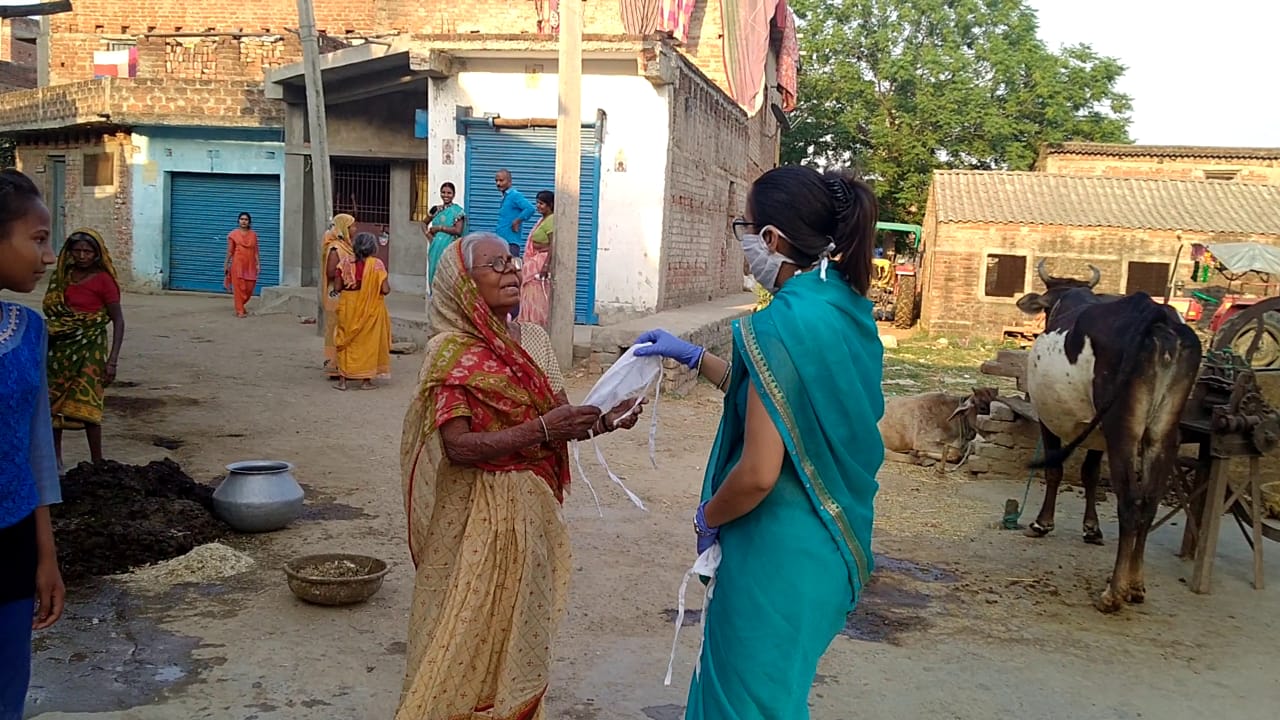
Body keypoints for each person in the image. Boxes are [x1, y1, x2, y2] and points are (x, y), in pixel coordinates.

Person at [633, 165, 884, 719]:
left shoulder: (782, 325)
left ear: (771, 239)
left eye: (745, 230)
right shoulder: (845, 308)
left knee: (741, 707)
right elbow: (776, 400)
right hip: (826, 550)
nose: (745, 244)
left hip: (775, 553)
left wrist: (708, 515)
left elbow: (759, 472)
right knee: (774, 700)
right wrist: (696, 358)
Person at [397, 232, 643, 720]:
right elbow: (457, 446)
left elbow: (559, 418)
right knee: (465, 625)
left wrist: (607, 418)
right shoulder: (450, 352)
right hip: (474, 516)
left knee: (517, 625)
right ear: (465, 284)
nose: (511, 271)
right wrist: (543, 429)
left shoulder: (531, 340)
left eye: (512, 261)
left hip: (530, 514)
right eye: (495, 265)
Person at [0, 168, 66, 717]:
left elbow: (36, 450)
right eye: (38, 239)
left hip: (13, 541)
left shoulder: (27, 330)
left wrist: (46, 556)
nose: (48, 258)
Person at [43, 227, 125, 470]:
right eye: (77, 250)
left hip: (91, 348)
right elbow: (54, 310)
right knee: (54, 404)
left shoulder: (104, 281)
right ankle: (55, 461)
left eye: (87, 251)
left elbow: (118, 321)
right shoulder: (62, 277)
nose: (81, 256)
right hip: (60, 347)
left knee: (89, 404)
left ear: (96, 254)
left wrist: (112, 361)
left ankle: (97, 462)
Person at [333, 232, 392, 391]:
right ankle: (366, 381)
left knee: (345, 339)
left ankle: (342, 381)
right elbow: (385, 290)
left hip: (348, 306)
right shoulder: (377, 264)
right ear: (373, 247)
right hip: (371, 308)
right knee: (368, 343)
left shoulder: (344, 262)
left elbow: (337, 287)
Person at [321, 213, 357, 379]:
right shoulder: (336, 248)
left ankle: (344, 364)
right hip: (335, 294)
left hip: (344, 293)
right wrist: (345, 273)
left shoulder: (346, 245)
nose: (355, 229)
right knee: (336, 329)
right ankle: (333, 365)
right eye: (352, 227)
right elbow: (330, 271)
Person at [423, 182, 466, 302]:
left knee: (448, 275)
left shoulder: (458, 211)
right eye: (443, 192)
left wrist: (439, 228)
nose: (446, 195)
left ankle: (447, 303)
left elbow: (458, 230)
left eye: (449, 193)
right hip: (435, 249)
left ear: (454, 195)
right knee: (434, 273)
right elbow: (423, 223)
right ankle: (435, 301)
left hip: (449, 248)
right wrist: (429, 237)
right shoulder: (436, 210)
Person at [519, 190, 555, 327]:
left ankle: (535, 325)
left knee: (536, 297)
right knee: (529, 295)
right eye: (537, 203)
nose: (538, 206)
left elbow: (554, 244)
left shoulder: (551, 220)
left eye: (542, 203)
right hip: (535, 260)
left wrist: (546, 265)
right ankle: (529, 324)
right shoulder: (543, 220)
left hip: (540, 264)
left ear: (550, 204)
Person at [223, 211, 260, 318]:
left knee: (249, 288)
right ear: (238, 221)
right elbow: (230, 251)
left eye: (246, 219)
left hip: (250, 264)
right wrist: (226, 264)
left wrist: (258, 264)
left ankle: (241, 306)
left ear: (249, 222)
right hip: (237, 264)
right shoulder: (233, 234)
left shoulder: (253, 235)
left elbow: (256, 251)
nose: (244, 221)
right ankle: (239, 310)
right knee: (239, 288)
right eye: (242, 219)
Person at [494, 169, 536, 257]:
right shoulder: (505, 196)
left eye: (501, 180)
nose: (498, 184)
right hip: (501, 240)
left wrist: (517, 221)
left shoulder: (514, 195)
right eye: (496, 181)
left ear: (509, 182)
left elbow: (530, 208)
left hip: (510, 242)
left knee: (511, 267)